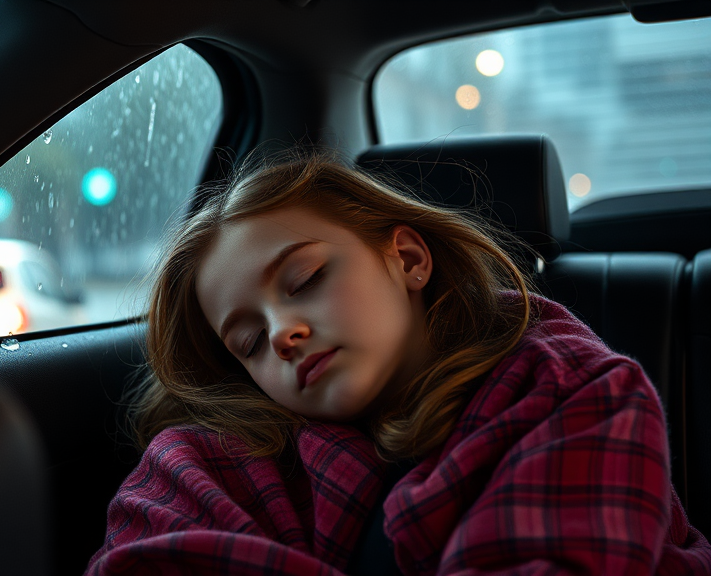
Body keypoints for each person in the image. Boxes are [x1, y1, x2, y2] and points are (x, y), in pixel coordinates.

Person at [86, 150, 711, 575]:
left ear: (409, 259)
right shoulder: (215, 462)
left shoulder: (579, 395)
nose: (281, 335)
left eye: (304, 279)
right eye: (247, 343)